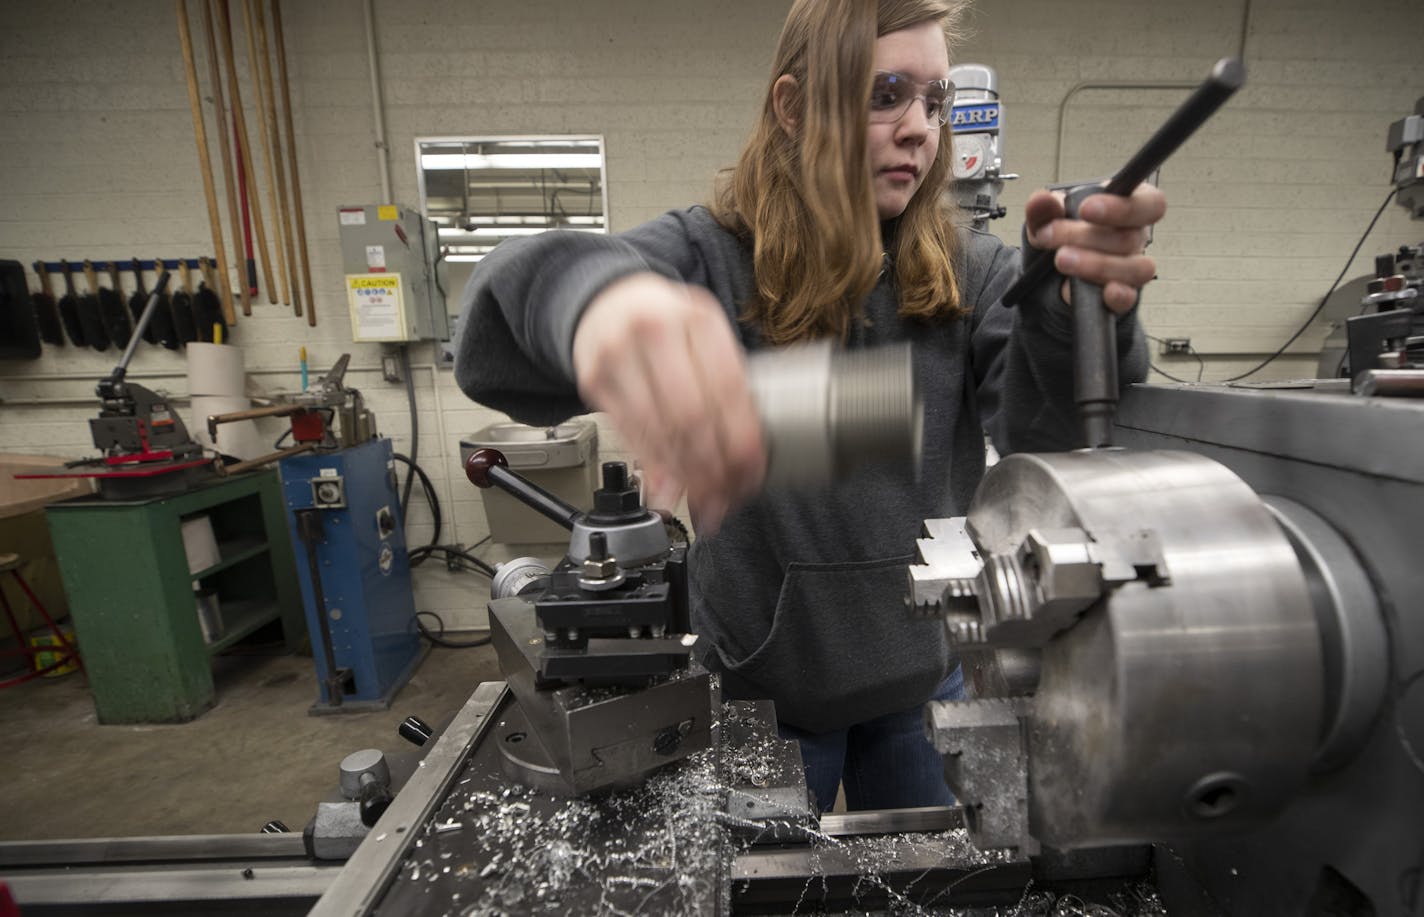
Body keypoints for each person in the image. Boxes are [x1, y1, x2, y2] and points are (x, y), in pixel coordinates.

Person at [455, 0, 1162, 812]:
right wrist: (595, 305)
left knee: (926, 892)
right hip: (765, 697)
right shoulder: (709, 257)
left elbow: (1055, 441)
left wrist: (1075, 314)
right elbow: (492, 335)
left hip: (924, 688)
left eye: (933, 101)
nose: (919, 130)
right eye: (884, 93)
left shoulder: (975, 275)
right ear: (793, 107)